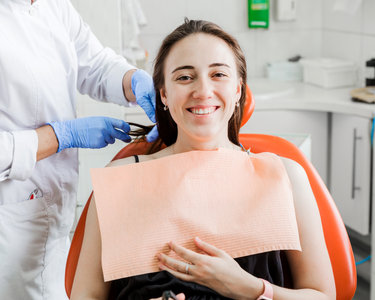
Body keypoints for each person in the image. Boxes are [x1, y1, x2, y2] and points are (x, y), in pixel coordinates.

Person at [71, 19, 336, 300]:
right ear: (163, 94)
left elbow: (323, 295)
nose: (203, 91)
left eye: (218, 74)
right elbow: (85, 295)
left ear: (238, 91)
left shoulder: (285, 176)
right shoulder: (121, 180)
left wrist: (253, 289)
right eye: (185, 77)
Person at [0, 0, 158, 299]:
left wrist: (131, 80)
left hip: (51, 214)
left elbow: (95, 64)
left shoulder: (53, 6)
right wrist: (59, 137)